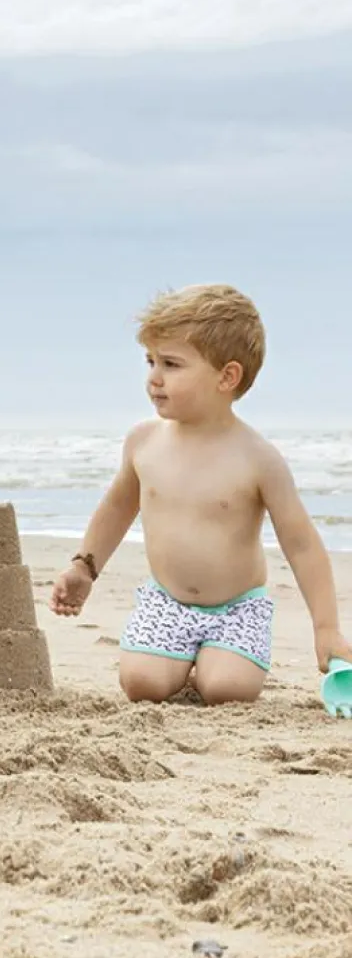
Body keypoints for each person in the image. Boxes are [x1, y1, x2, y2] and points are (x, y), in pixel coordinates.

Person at [49, 283, 352, 705]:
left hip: (236, 609)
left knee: (227, 690)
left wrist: (326, 629)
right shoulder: (144, 442)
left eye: (171, 364)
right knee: (142, 684)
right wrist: (85, 566)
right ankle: (176, 658)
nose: (154, 378)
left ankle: (216, 659)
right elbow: (118, 508)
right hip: (167, 602)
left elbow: (300, 544)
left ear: (227, 376)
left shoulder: (258, 458)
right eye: (150, 361)